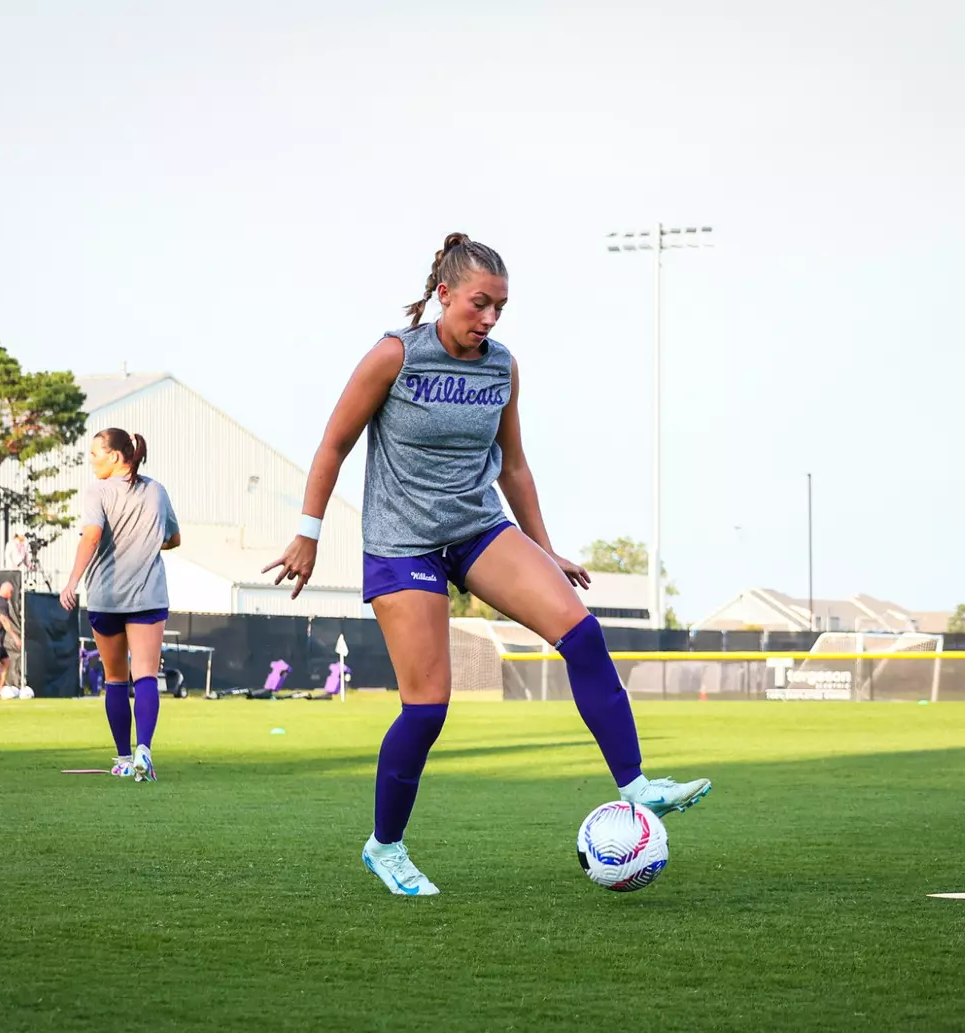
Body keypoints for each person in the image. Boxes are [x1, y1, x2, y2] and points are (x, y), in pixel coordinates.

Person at [264, 232, 712, 897]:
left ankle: (638, 787)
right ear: (444, 295)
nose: (491, 319)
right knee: (428, 709)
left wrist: (544, 547)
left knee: (581, 631)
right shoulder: (394, 355)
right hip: (402, 542)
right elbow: (333, 444)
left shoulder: (502, 366)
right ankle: (385, 847)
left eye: (501, 306)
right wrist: (308, 534)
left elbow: (515, 466)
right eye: (480, 303)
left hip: (476, 527)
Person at [60, 428, 180, 782]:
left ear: (115, 456)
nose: (91, 460)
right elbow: (173, 539)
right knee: (145, 674)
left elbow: (92, 535)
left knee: (114, 678)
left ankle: (125, 759)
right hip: (147, 596)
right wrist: (141, 544)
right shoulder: (157, 491)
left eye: (95, 453)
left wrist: (72, 580)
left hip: (107, 597)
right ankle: (145, 750)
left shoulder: (98, 491)